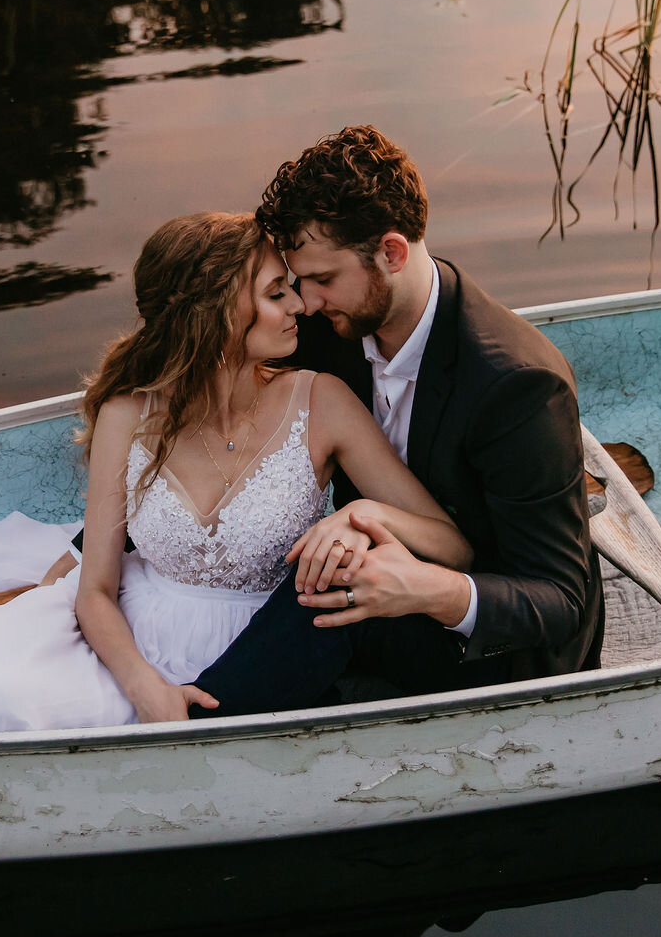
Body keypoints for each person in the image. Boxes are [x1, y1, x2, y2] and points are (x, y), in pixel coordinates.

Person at [0, 211, 471, 734]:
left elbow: (450, 540)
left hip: (266, 644)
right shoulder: (127, 413)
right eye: (274, 293)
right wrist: (144, 686)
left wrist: (362, 515)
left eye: (293, 289)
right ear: (214, 309)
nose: (299, 308)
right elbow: (96, 588)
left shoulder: (321, 401)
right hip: (129, 636)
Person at [189, 125, 605, 717]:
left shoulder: (517, 386)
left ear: (391, 253)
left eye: (323, 280)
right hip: (377, 564)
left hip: (499, 643)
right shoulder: (331, 325)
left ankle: (195, 726)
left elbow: (560, 600)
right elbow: (215, 425)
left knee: (330, 587)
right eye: (297, 281)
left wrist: (428, 590)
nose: (304, 302)